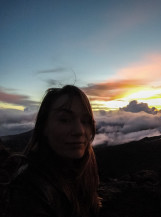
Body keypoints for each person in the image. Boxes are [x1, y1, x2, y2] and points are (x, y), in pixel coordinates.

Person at [7, 85, 101, 217]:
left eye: (85, 121)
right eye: (64, 120)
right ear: (43, 127)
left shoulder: (84, 171)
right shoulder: (29, 189)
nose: (80, 131)